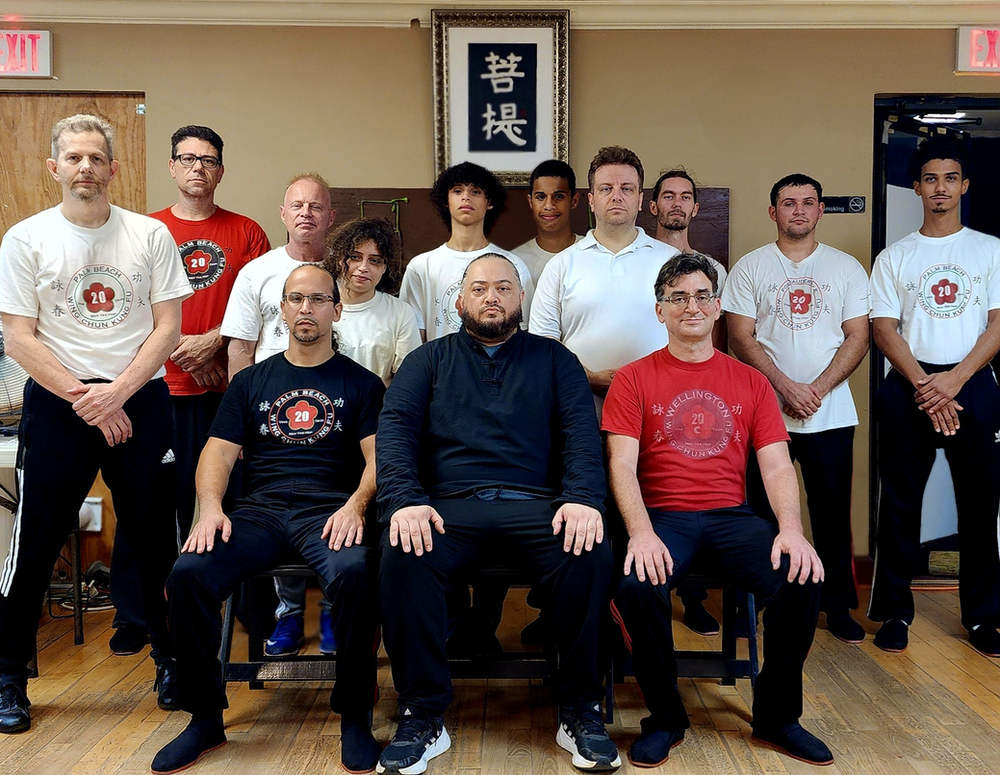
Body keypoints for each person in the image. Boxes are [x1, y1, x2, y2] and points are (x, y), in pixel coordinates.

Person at [376, 255, 620, 774]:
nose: (492, 297)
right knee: (402, 551)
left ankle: (580, 708)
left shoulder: (556, 360)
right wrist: (404, 500)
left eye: (504, 288)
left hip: (538, 506)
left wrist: (582, 498)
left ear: (520, 300)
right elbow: (395, 433)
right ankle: (423, 712)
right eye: (480, 288)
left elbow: (581, 435)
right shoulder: (427, 361)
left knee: (590, 549)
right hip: (447, 508)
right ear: (459, 301)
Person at [151, 264, 385, 774]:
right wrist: (210, 508)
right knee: (188, 575)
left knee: (355, 575)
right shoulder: (252, 381)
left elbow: (377, 458)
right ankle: (204, 719)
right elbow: (217, 453)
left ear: (337, 310)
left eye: (319, 299)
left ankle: (354, 718)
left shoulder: (361, 383)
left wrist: (356, 506)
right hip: (259, 510)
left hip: (329, 510)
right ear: (281, 309)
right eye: (297, 299)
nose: (307, 308)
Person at [0, 114, 192, 733]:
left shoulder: (150, 236)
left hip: (139, 398)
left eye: (96, 158)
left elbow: (168, 327)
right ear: (55, 168)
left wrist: (117, 395)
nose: (86, 168)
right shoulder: (25, 239)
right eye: (74, 158)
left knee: (158, 540)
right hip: (59, 403)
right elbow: (18, 337)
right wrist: (85, 397)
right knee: (31, 545)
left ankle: (172, 663)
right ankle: (8, 676)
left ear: (113, 168)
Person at [604, 253, 832, 768]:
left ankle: (777, 717)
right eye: (678, 297)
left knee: (801, 577)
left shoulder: (750, 381)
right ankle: (665, 719)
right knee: (636, 587)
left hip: (732, 516)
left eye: (703, 295)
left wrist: (792, 531)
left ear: (719, 307)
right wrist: (639, 533)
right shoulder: (633, 379)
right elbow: (621, 465)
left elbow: (776, 468)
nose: (692, 306)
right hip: (663, 517)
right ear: (659, 311)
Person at [107, 125, 271, 658]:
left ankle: (250, 612)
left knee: (235, 500)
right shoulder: (142, 230)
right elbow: (131, 308)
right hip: (156, 388)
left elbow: (258, 307)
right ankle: (135, 616)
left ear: (220, 170)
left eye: (209, 160)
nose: (198, 167)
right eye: (187, 158)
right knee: (147, 505)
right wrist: (182, 350)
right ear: (173, 167)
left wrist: (214, 344)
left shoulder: (247, 232)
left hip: (226, 393)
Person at [255, 217, 420, 657]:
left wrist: (362, 405)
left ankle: (333, 611)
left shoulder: (399, 313)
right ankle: (290, 612)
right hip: (304, 433)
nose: (364, 268)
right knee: (281, 502)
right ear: (339, 258)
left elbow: (405, 380)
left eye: (376, 260)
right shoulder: (311, 304)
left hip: (369, 435)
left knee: (345, 533)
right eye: (355, 257)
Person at [722, 173, 870, 644]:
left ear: (821, 209)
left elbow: (859, 335)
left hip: (829, 414)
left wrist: (817, 390)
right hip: (764, 413)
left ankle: (838, 604)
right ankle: (758, 603)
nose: (799, 211)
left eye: (808, 203)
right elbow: (739, 337)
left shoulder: (845, 268)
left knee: (831, 516)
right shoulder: (750, 267)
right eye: (789, 203)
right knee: (761, 515)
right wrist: (785, 387)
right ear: (773, 212)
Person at [868, 136, 1000, 657]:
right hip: (909, 385)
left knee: (980, 505)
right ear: (916, 187)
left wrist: (955, 379)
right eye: (930, 179)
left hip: (973, 384)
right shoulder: (895, 256)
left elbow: (997, 324)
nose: (940, 188)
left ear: (964, 186)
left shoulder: (989, 249)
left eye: (950, 178)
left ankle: (985, 617)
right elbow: (883, 326)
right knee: (899, 505)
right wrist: (927, 383)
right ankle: (895, 612)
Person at [220, 172, 338, 657]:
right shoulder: (256, 273)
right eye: (297, 205)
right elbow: (239, 349)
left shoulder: (345, 270)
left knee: (335, 517)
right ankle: (291, 615)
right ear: (284, 214)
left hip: (336, 415)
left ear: (331, 216)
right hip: (271, 419)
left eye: (316, 205)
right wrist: (242, 421)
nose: (306, 212)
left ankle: (332, 612)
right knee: (272, 512)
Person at [529, 146, 677, 413]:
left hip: (658, 408)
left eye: (627, 189)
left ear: (641, 199)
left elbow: (692, 334)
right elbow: (543, 344)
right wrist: (589, 377)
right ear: (592, 199)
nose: (616, 196)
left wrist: (642, 380)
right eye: (606, 188)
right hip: (578, 408)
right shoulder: (561, 264)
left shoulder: (671, 261)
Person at [649, 168, 730, 631]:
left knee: (699, 484)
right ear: (653, 205)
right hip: (644, 388)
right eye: (667, 196)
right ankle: (644, 603)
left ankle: (695, 599)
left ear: (697, 208)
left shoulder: (710, 270)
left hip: (696, 397)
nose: (676, 204)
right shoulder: (639, 257)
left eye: (686, 197)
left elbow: (710, 342)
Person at [399, 161, 534, 343]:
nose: (466, 197)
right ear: (445, 201)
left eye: (475, 191)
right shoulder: (422, 266)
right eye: (457, 190)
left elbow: (525, 333)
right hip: (441, 369)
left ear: (490, 202)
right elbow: (414, 336)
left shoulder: (513, 265)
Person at [511, 159, 582, 285]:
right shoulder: (515, 262)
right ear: (530, 202)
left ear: (574, 201)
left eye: (559, 197)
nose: (549, 205)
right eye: (541, 197)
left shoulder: (591, 252)